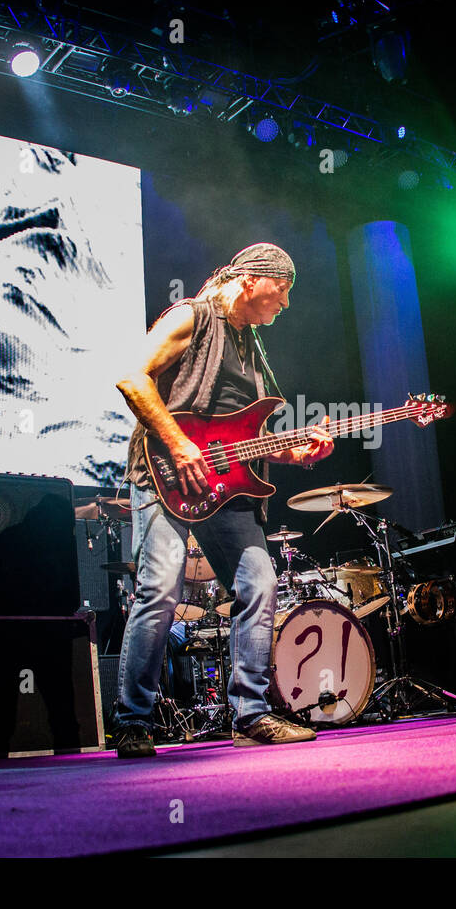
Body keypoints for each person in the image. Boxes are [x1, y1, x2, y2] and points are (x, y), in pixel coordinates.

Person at [110, 243, 334, 758]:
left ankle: (251, 714)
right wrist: (179, 443)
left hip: (227, 488)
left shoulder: (252, 346)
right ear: (254, 279)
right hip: (167, 472)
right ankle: (133, 721)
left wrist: (296, 452)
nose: (287, 303)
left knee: (260, 584)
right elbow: (132, 377)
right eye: (285, 290)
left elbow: (247, 440)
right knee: (160, 590)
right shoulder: (192, 316)